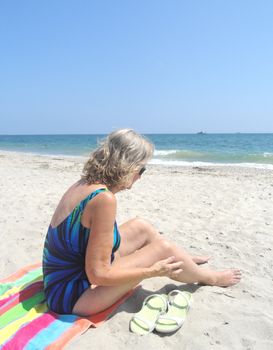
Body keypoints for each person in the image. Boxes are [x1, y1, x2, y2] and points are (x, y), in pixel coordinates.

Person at [42, 128, 241, 316]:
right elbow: (97, 275)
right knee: (163, 249)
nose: (139, 176)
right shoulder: (103, 199)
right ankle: (211, 278)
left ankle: (183, 259)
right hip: (73, 296)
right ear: (126, 166)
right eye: (141, 169)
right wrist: (151, 272)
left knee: (141, 226)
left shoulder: (85, 184)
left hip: (64, 276)